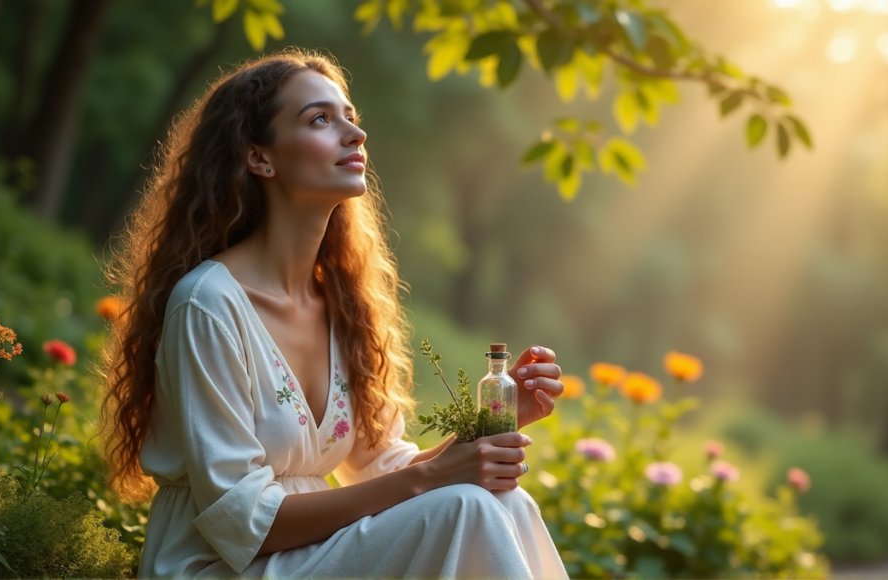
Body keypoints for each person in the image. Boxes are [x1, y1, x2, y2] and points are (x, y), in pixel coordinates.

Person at [96, 46, 568, 579]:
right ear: (259, 157)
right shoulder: (208, 304)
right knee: (467, 504)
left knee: (506, 502)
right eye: (320, 119)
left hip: (313, 554)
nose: (354, 134)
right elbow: (243, 523)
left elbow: (381, 466)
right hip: (220, 565)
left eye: (350, 117)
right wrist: (435, 480)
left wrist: (491, 428)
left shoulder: (342, 304)